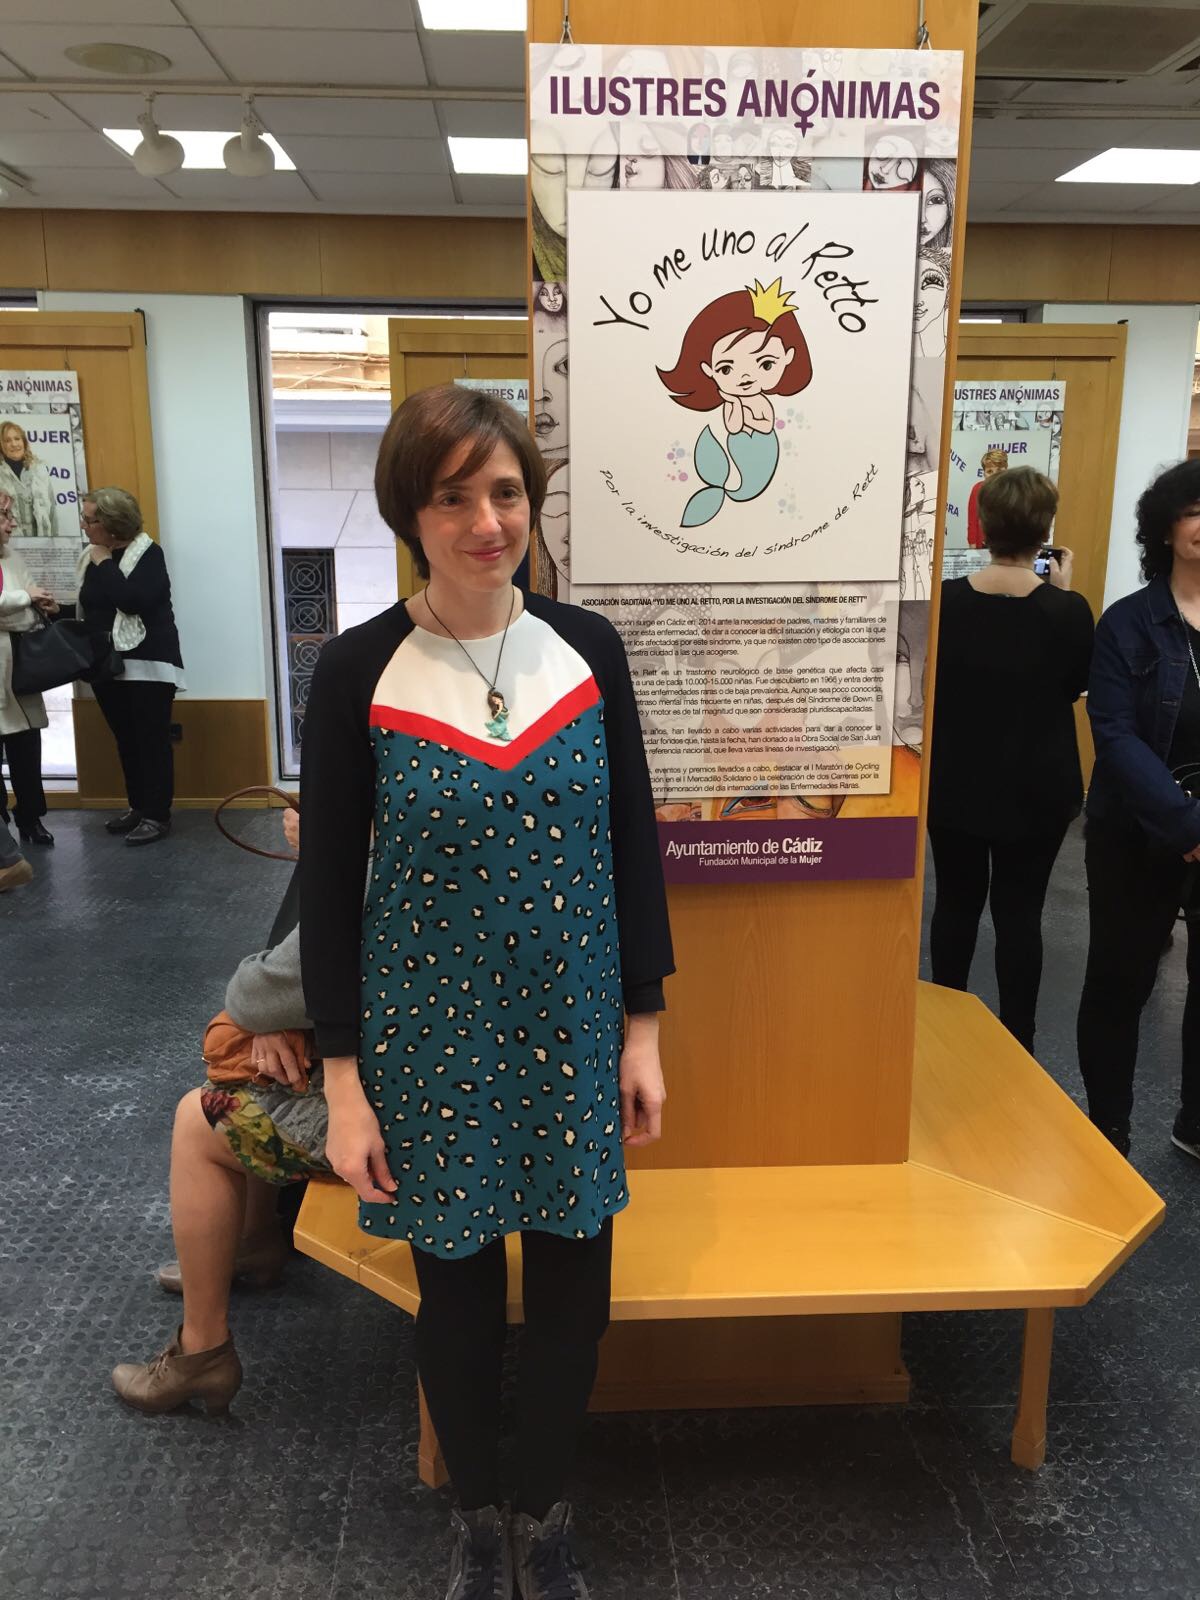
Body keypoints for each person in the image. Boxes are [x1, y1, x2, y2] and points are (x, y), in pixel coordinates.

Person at [300, 384, 673, 1600]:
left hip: (572, 1026)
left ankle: (545, 1518)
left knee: (573, 1294)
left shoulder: (588, 649)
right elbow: (327, 889)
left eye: (505, 492)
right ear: (410, 511)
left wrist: (643, 1029)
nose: (485, 522)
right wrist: (343, 1083)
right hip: (425, 1037)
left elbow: (631, 846)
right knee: (454, 1299)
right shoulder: (359, 669)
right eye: (453, 496)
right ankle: (474, 1523)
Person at [112, 807, 327, 1414]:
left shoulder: (383, 862)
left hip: (415, 1117)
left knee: (201, 1115)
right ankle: (254, 1241)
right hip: (484, 1087)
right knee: (260, 1066)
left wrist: (326, 849)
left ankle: (201, 1351)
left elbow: (258, 990)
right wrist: (278, 1014)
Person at [928, 467, 1092, 1055]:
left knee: (955, 905)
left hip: (954, 782)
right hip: (1037, 789)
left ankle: (943, 1027)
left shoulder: (945, 603)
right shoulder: (1068, 611)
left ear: (983, 524)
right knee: (1021, 915)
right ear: (1045, 529)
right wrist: (1062, 589)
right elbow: (1073, 686)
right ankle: (1017, 1042)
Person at [1078, 459, 1200, 1159]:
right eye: (1193, 510)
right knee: (1119, 982)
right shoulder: (1129, 623)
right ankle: (1109, 1129)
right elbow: (1116, 735)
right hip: (1134, 833)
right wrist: (1186, 823)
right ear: (1165, 527)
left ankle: (1196, 1123)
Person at [78, 487, 184, 846]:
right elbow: (93, 605)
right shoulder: (93, 557)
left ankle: (157, 815)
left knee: (151, 741)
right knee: (126, 740)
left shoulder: (149, 554)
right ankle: (138, 807)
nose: (84, 525)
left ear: (111, 524)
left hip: (148, 665)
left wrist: (105, 563)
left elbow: (131, 600)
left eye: (89, 519)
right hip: (107, 665)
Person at [0, 488, 56, 847]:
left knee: (26, 746)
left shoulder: (11, 557)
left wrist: (37, 602)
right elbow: (20, 602)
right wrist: (23, 600)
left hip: (20, 668)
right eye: (5, 515)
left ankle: (31, 817)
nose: (13, 523)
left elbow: (28, 607)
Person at [0, 420, 56, 540]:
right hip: (8, 544)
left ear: (24, 442)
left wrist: (55, 541)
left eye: (17, 439)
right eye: (7, 440)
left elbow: (52, 511)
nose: (14, 444)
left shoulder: (40, 470)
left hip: (41, 542)